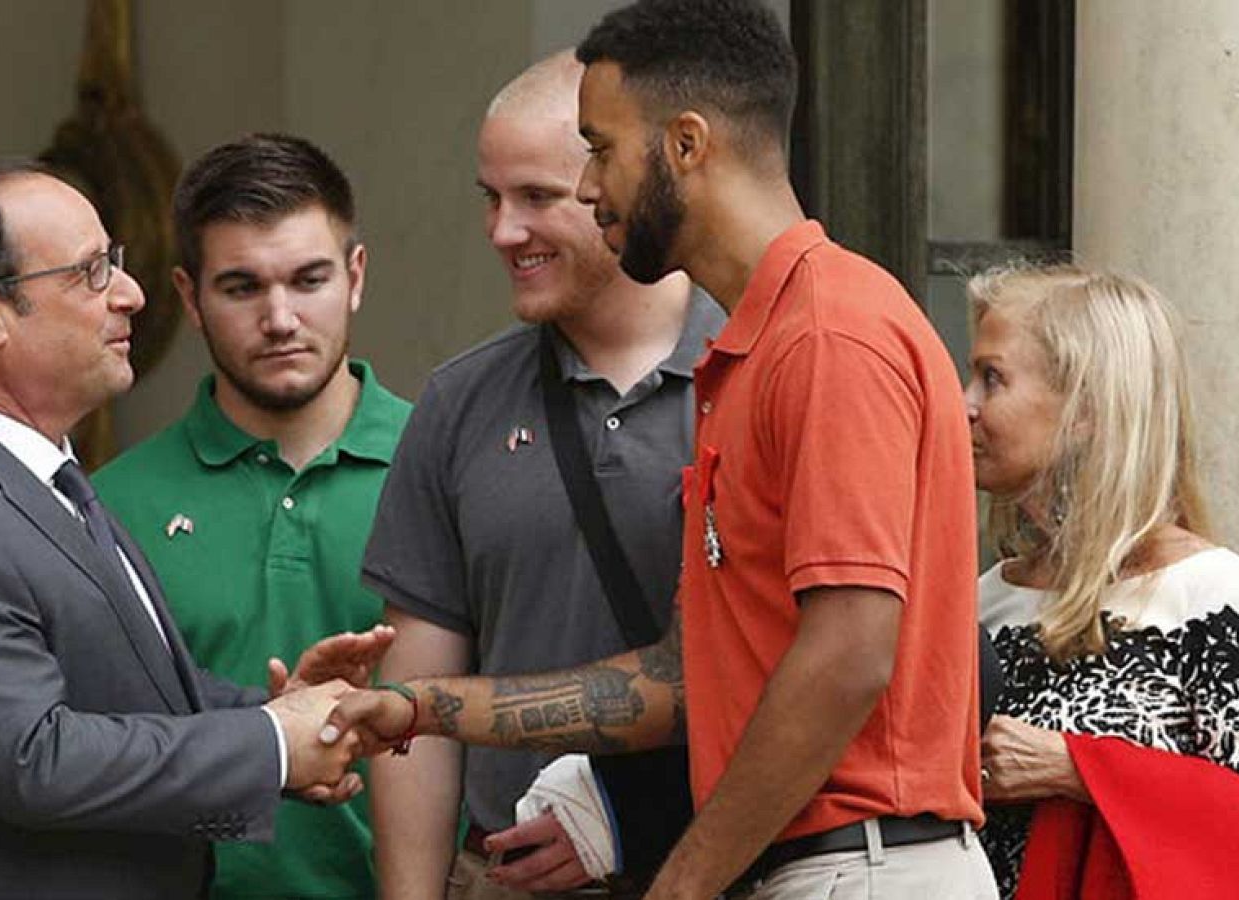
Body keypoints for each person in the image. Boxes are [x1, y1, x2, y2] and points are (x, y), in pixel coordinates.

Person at [326, 2, 993, 898]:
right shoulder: (754, 350)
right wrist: (413, 707)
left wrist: (681, 884)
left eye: (600, 149)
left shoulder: (829, 333)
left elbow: (848, 656)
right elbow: (675, 681)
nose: (591, 185)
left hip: (855, 866)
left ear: (684, 144)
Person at [0, 159, 391, 900]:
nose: (131, 295)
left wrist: (280, 714)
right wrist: (270, 746)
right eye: (91, 272)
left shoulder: (46, 479)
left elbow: (132, 699)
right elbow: (35, 760)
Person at [362, 50, 721, 899]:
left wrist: (634, 814)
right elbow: (417, 700)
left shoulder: (755, 372)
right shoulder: (458, 403)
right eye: (490, 197)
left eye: (536, 198)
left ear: (615, 183)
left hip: (717, 869)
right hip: (511, 879)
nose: (501, 232)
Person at [94, 133, 411, 900]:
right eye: (241, 287)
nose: (279, 318)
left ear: (356, 276)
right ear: (189, 297)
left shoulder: (446, 470)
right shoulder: (108, 505)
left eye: (309, 280)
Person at [964, 264, 1239, 897]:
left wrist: (1078, 770)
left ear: (1085, 408)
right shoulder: (986, 598)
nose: (964, 403)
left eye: (991, 378)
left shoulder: (1211, 591)